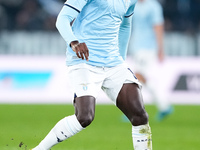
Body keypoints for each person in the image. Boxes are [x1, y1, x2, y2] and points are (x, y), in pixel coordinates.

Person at [31, 0, 153, 150]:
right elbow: (62, 19)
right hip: (83, 61)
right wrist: (74, 42)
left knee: (140, 115)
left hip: (113, 63)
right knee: (84, 117)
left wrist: (120, 59)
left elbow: (125, 25)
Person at [127, 0, 173, 121]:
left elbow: (158, 27)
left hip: (147, 47)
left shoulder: (153, 6)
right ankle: (161, 106)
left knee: (138, 76)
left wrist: (161, 49)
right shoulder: (133, 4)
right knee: (140, 78)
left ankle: (162, 106)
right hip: (136, 46)